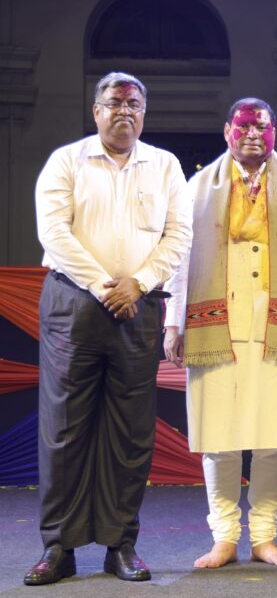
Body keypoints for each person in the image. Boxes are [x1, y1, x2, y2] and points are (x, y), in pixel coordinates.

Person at [27, 72, 193, 586]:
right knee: (64, 429)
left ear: (145, 113)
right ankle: (58, 547)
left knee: (130, 432)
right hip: (73, 305)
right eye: (115, 102)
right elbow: (53, 233)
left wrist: (137, 284)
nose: (125, 111)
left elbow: (179, 235)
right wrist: (106, 287)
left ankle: (121, 544)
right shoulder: (67, 161)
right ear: (95, 110)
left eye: (134, 103)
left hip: (138, 308)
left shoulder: (164, 165)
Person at [163, 98, 277, 569]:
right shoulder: (198, 186)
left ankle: (265, 536)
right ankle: (225, 537)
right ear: (227, 131)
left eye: (262, 126)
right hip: (217, 325)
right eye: (244, 126)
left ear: (275, 132)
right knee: (219, 436)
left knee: (275, 436)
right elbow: (179, 257)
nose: (253, 134)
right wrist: (173, 322)